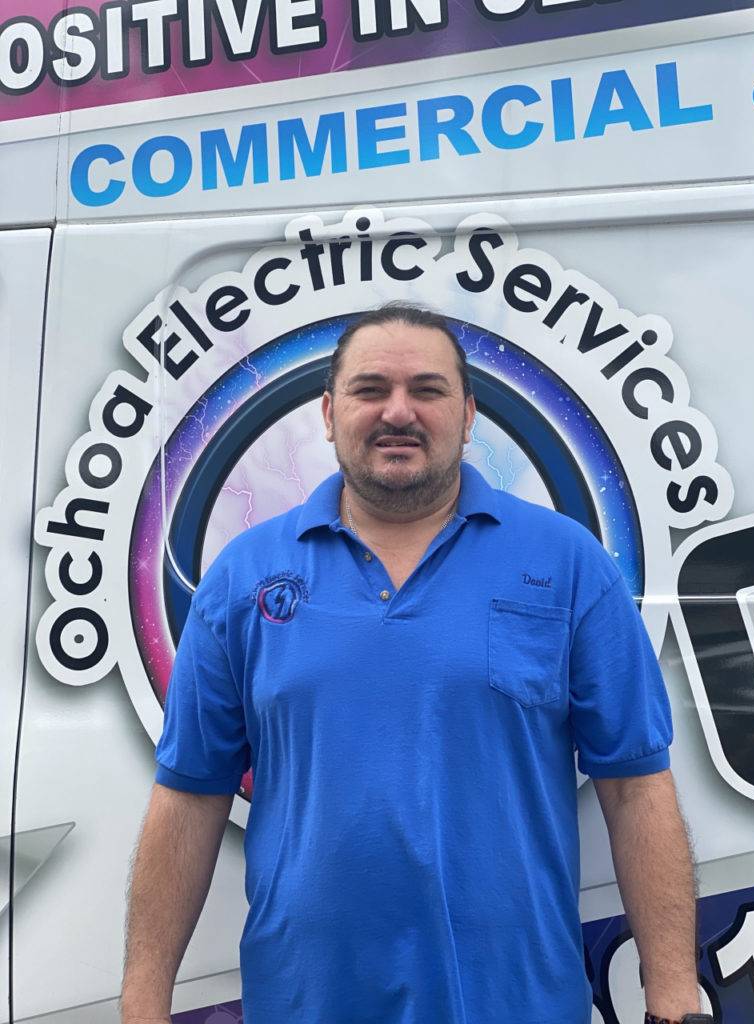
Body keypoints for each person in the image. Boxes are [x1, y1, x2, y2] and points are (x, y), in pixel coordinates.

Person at [120, 303, 711, 1024]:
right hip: (308, 1003)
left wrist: (675, 991)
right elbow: (188, 797)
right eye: (372, 390)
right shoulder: (244, 577)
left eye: (427, 390)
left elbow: (635, 788)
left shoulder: (568, 563)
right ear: (330, 414)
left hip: (516, 1003)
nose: (398, 411)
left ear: (467, 416)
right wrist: (143, 1002)